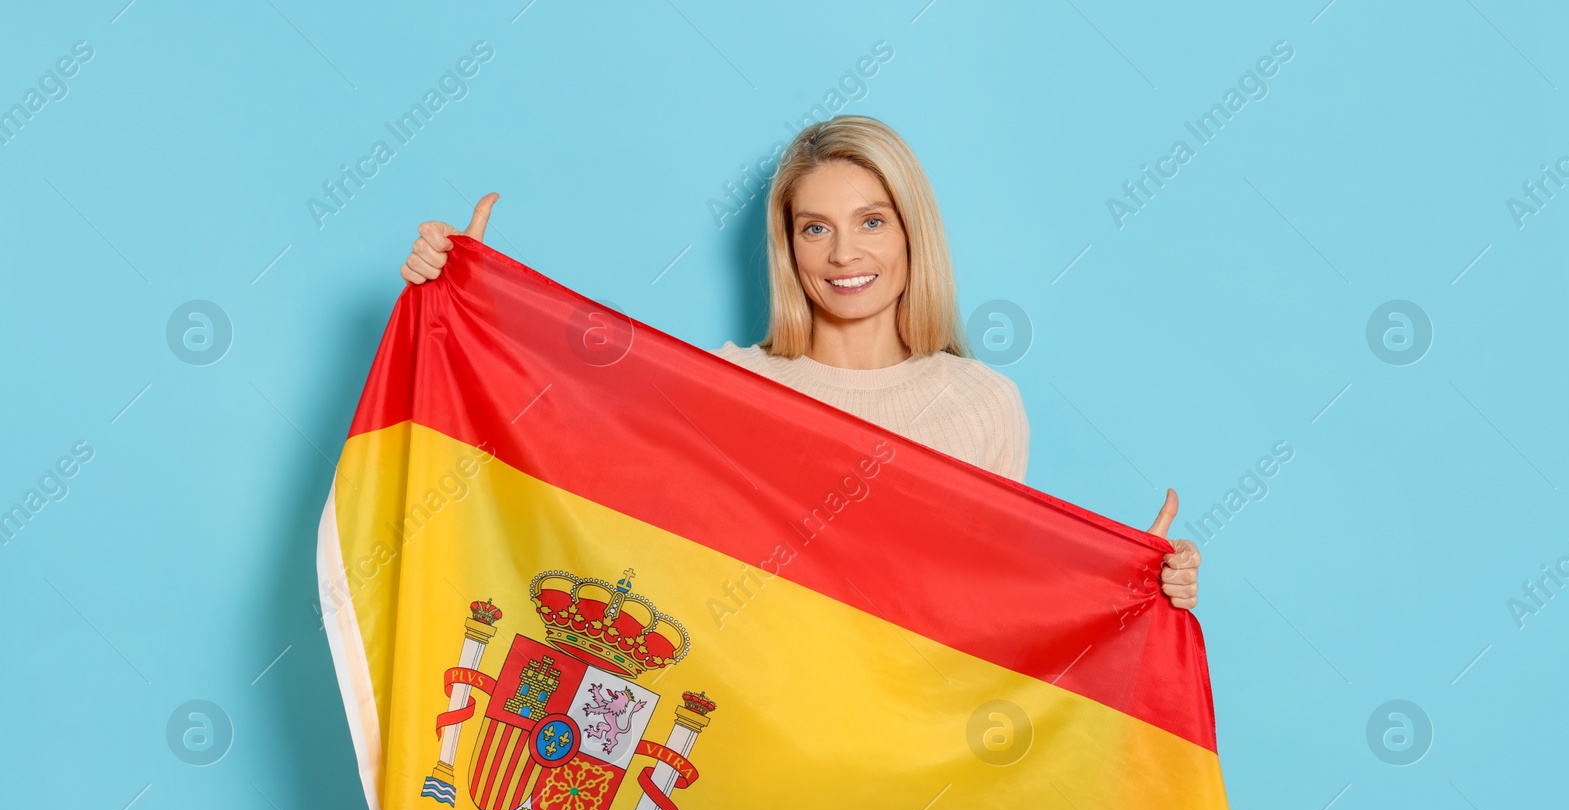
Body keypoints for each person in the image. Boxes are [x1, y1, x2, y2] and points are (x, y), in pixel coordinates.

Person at [399, 116, 1200, 609]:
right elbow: (578, 459)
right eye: (814, 228)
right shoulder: (730, 384)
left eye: (872, 221)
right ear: (787, 246)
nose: (844, 252)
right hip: (748, 752)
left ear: (912, 233)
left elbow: (1003, 600)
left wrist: (1130, 585)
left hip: (911, 769)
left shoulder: (982, 403)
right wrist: (472, 306)